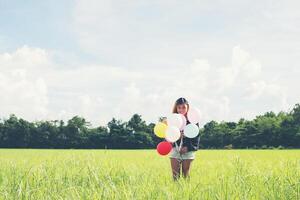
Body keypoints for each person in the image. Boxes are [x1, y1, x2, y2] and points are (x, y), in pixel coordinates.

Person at [169, 97, 200, 180]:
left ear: (187, 108)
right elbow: (168, 135)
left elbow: (196, 137)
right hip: (175, 149)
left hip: (188, 150)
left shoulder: (193, 119)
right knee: (175, 176)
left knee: (186, 175)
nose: (181, 110)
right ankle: (175, 192)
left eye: (184, 107)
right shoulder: (173, 119)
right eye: (179, 107)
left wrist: (188, 148)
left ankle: (186, 191)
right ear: (176, 108)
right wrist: (174, 138)